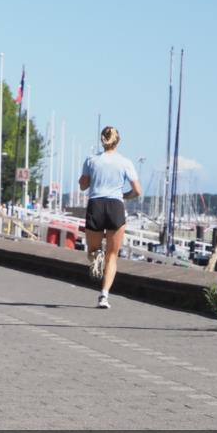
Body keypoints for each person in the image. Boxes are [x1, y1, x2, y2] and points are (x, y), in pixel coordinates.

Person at [79, 126, 142, 309]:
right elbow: (137, 191)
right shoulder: (125, 162)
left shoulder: (91, 160)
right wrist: (125, 196)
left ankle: (97, 255)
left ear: (102, 140)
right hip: (115, 206)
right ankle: (104, 296)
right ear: (118, 141)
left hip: (96, 205)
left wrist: (91, 178)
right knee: (112, 256)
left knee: (92, 251)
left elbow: (83, 185)